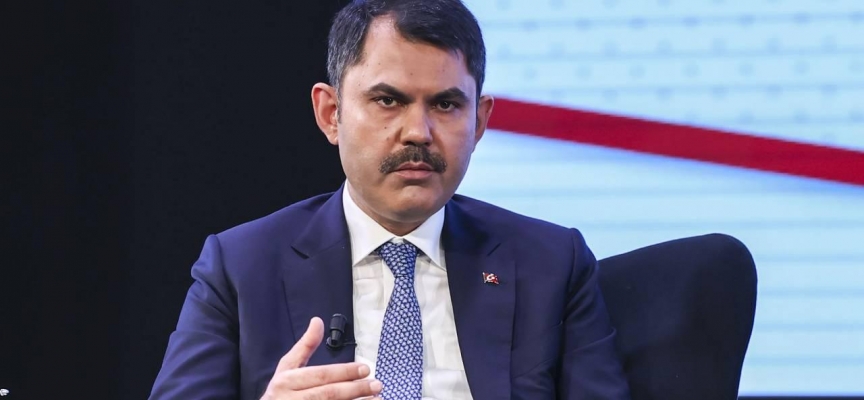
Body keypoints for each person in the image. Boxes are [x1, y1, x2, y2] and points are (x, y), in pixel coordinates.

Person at [149, 0, 631, 399]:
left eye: (446, 104)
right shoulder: (241, 266)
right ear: (331, 113)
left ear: (479, 122)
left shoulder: (552, 264)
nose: (418, 132)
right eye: (388, 101)